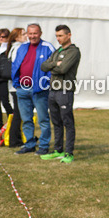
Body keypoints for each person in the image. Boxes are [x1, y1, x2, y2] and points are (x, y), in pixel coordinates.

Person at [11, 23, 55, 155]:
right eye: (30, 33)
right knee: (26, 119)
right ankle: (29, 144)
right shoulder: (22, 47)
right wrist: (16, 83)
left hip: (39, 90)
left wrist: (44, 84)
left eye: (35, 33)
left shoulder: (47, 47)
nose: (32, 36)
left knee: (43, 119)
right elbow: (15, 65)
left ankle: (44, 146)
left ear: (40, 33)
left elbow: (53, 68)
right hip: (22, 88)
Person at [39, 25, 81, 163]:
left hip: (65, 90)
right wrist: (54, 64)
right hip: (53, 90)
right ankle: (58, 150)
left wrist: (53, 65)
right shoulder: (58, 51)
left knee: (67, 122)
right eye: (56, 36)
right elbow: (43, 66)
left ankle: (69, 153)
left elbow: (63, 69)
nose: (58, 38)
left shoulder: (73, 51)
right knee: (56, 122)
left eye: (61, 36)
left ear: (69, 35)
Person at [5, 28, 25, 147]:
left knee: (18, 112)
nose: (26, 36)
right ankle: (14, 140)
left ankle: (16, 138)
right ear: (17, 37)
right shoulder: (18, 48)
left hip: (13, 86)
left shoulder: (12, 47)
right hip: (17, 85)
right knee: (18, 113)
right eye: (23, 34)